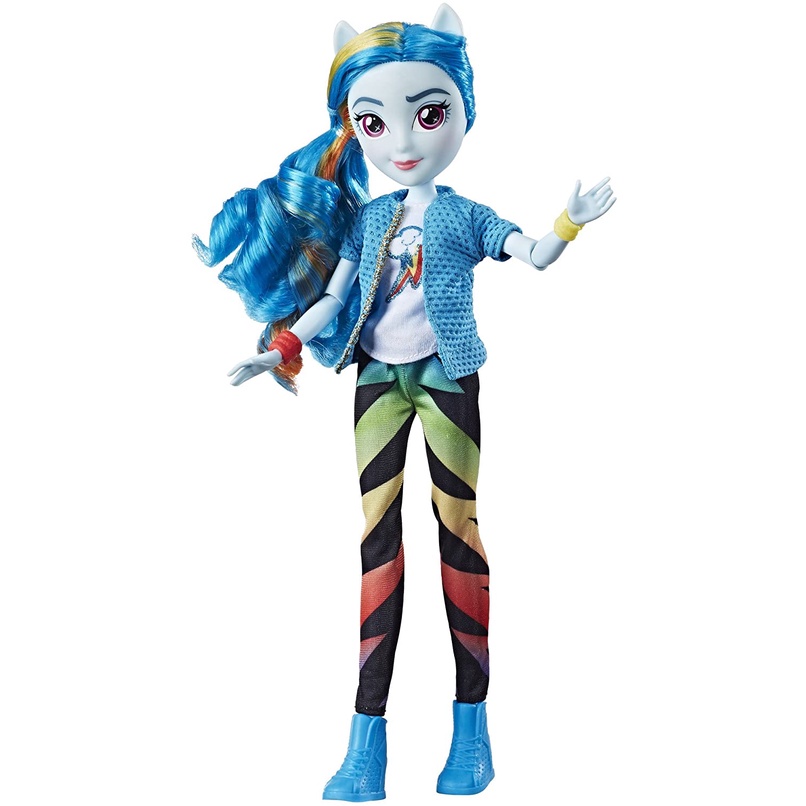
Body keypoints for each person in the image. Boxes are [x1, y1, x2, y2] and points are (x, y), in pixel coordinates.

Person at [193, 5, 615, 800]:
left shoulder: (462, 215)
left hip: (448, 378)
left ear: (461, 110)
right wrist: (283, 346)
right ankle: (367, 746)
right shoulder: (370, 219)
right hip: (377, 384)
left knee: (458, 532)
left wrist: (568, 224)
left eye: (427, 114)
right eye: (373, 123)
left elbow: (532, 254)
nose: (404, 142)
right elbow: (334, 298)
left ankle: (471, 734)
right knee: (377, 545)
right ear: (355, 129)